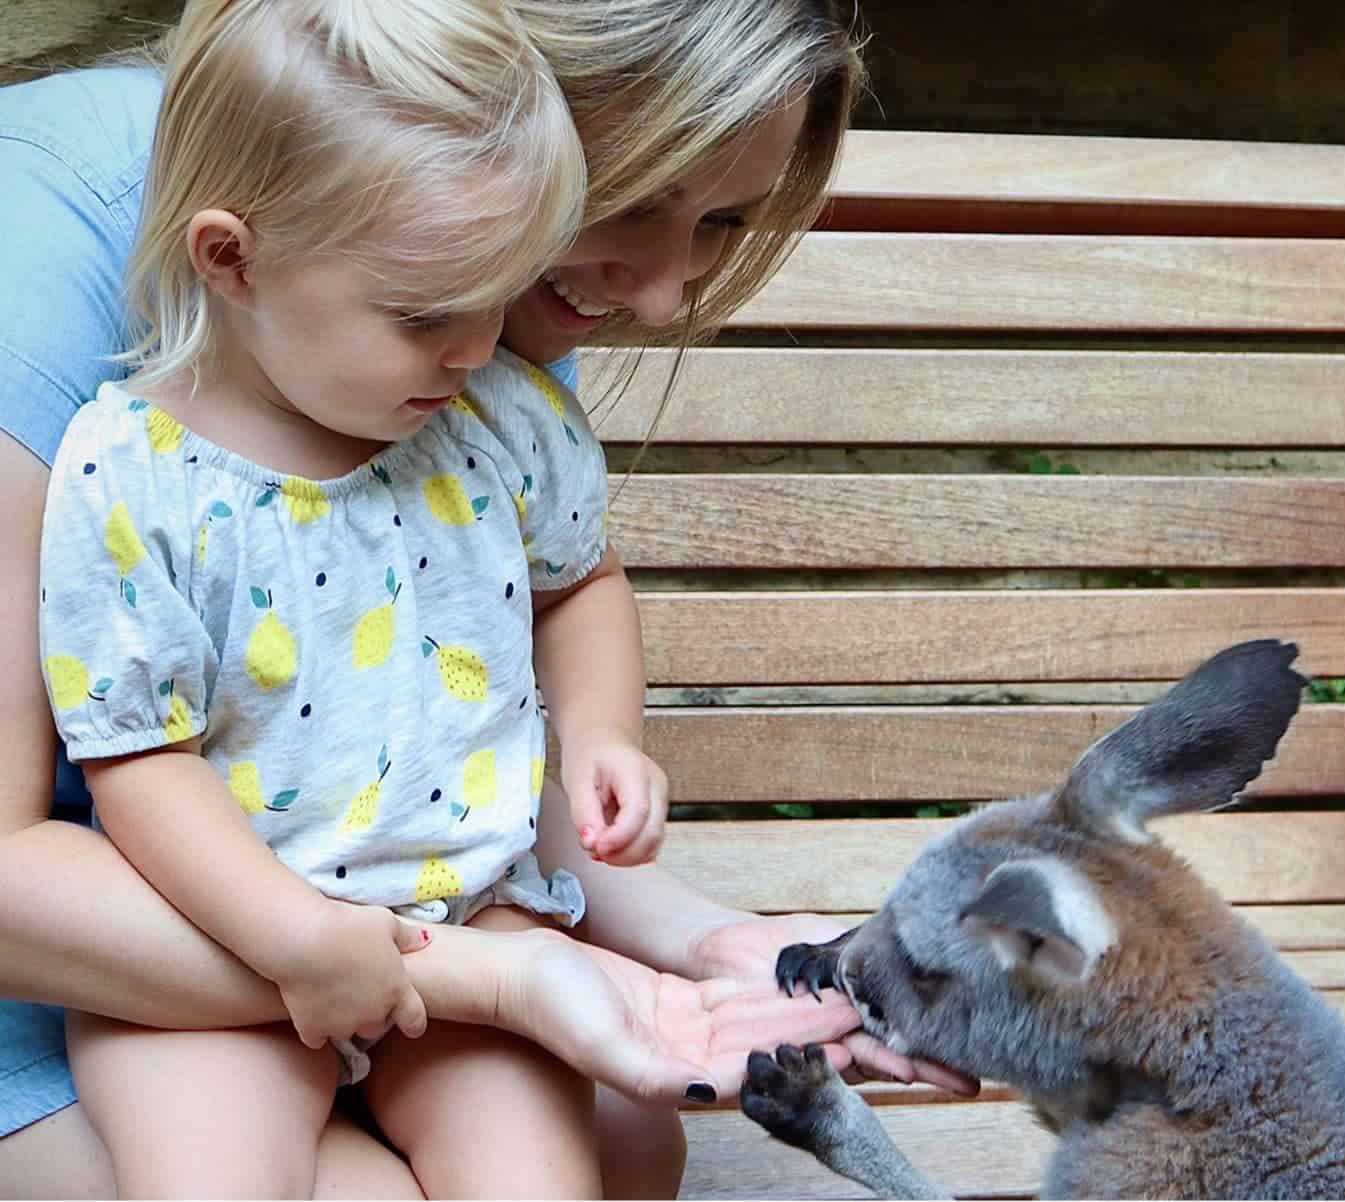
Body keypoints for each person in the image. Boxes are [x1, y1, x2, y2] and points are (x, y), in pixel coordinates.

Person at [0, 1, 972, 1197]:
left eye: (720, 221)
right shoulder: (137, 402)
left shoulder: (450, 345)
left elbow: (450, 708)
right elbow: (131, 762)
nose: (663, 297)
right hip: (148, 935)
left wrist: (689, 921)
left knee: (622, 1146)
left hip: (423, 910)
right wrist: (461, 971)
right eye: (635, 197)